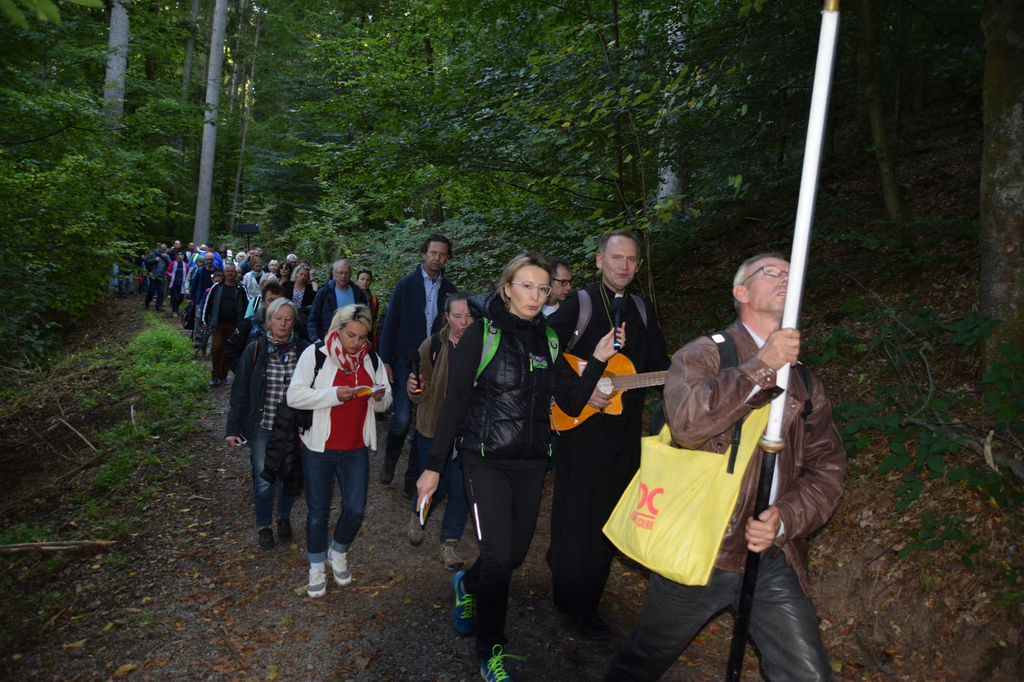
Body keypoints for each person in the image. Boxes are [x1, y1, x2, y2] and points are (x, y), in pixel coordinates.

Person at [604, 253, 846, 682]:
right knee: (642, 662)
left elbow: (827, 469)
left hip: (769, 555)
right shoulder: (704, 355)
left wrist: (785, 518)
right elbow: (688, 425)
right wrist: (761, 366)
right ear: (741, 292)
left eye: (790, 274)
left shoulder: (806, 382)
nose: (784, 278)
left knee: (809, 674)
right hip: (700, 547)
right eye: (771, 272)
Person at [416, 252, 621, 682]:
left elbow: (570, 403)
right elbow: (455, 402)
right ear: (507, 288)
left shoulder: (549, 340)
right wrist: (433, 467)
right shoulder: (482, 333)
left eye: (543, 288)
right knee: (498, 556)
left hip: (531, 463)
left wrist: (599, 359)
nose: (535, 295)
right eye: (526, 285)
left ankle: (466, 585)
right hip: (483, 459)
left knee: (511, 556)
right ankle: (490, 650)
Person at [545, 229, 670, 640]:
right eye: (617, 257)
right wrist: (580, 387)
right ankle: (580, 605)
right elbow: (543, 348)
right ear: (600, 260)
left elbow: (660, 364)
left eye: (631, 259)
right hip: (582, 429)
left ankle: (572, 577)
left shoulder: (642, 309)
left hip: (625, 433)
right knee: (581, 516)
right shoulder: (579, 304)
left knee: (610, 517)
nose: (624, 266)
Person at [286, 304, 391, 598]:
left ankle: (338, 552)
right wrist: (334, 395)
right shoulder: (316, 354)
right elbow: (294, 396)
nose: (356, 343)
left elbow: (384, 403)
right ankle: (316, 567)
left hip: (356, 447)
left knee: (355, 508)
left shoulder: (371, 358)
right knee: (318, 511)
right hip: (319, 447)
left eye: (362, 337)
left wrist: (379, 397)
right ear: (337, 330)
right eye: (350, 335)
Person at [225, 298, 308, 550]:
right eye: (278, 318)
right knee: (263, 477)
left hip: (292, 427)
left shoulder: (304, 351)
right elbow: (240, 390)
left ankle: (283, 517)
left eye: (288, 319)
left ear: (294, 322)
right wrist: (232, 428)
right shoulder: (255, 349)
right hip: (263, 425)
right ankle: (264, 525)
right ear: (268, 321)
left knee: (289, 474)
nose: (283, 323)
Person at [378, 235, 458, 496]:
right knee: (402, 418)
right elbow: (390, 323)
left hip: (435, 361)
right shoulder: (405, 285)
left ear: (448, 257)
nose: (437, 258)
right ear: (424, 253)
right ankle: (390, 458)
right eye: (433, 253)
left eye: (442, 254)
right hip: (406, 359)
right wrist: (385, 361)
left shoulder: (450, 290)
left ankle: (413, 477)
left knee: (426, 422)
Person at [405, 291, 474, 570]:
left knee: (462, 489)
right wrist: (416, 388)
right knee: (434, 482)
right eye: (457, 316)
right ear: (446, 317)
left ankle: (449, 543)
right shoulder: (432, 345)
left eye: (469, 316)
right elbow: (419, 391)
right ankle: (418, 514)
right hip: (433, 428)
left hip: (469, 432)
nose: (463, 322)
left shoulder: (484, 345)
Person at [201, 262, 248, 386]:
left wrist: (246, 323)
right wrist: (204, 321)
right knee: (217, 348)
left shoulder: (241, 288)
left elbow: (248, 305)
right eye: (228, 271)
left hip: (235, 324)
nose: (230, 273)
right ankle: (215, 373)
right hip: (218, 323)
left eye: (232, 271)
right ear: (223, 273)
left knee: (228, 350)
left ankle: (223, 374)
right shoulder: (217, 287)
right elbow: (207, 304)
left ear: (236, 273)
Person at [225, 282, 285, 373]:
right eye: (271, 300)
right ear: (263, 303)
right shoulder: (248, 324)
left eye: (278, 301)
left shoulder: (293, 325)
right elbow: (231, 349)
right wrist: (242, 371)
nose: (275, 304)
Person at [306, 259, 368, 343]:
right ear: (333, 273)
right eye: (340, 272)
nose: (343, 276)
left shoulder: (358, 293)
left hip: (353, 342)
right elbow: (313, 319)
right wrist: (315, 339)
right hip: (328, 341)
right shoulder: (325, 292)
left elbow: (365, 319)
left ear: (351, 274)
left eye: (347, 273)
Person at [355, 269, 380, 349]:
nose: (365, 282)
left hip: (367, 333)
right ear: (357, 281)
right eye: (362, 279)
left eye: (368, 280)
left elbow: (374, 317)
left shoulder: (373, 299)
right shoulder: (352, 296)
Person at [143, 243, 170, 312]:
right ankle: (147, 302)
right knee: (151, 291)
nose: (163, 251)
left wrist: (165, 257)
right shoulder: (152, 254)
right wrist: (154, 259)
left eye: (164, 250)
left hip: (162, 276)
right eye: (162, 249)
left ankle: (158, 306)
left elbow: (170, 264)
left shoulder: (166, 255)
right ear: (159, 248)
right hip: (153, 275)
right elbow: (146, 261)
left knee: (161, 292)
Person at [165, 251, 190, 317]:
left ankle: (176, 306)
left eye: (181, 258)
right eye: (178, 258)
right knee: (174, 298)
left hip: (182, 284)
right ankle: (174, 311)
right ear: (176, 258)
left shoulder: (186, 265)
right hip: (174, 283)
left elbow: (188, 274)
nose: (180, 259)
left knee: (181, 298)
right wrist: (169, 274)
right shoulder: (172, 263)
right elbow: (167, 271)